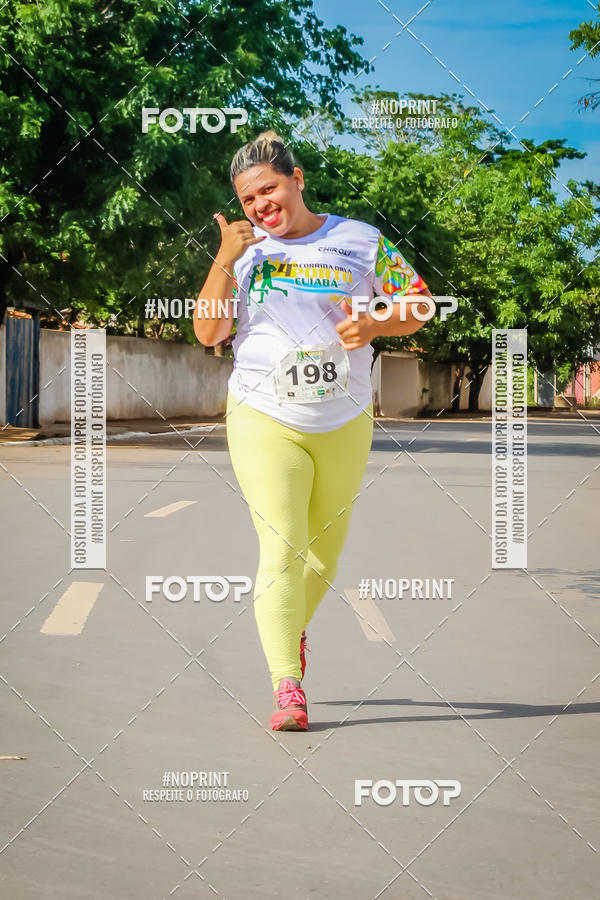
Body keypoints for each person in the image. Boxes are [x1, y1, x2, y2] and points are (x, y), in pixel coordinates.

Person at [194, 131, 434, 732]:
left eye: (269, 189)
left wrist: (377, 321)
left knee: (323, 559)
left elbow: (422, 305)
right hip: (262, 412)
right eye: (249, 199)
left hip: (344, 416)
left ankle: (288, 624)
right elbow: (208, 334)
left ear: (297, 179)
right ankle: (287, 685)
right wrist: (225, 254)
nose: (260, 206)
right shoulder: (244, 252)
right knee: (282, 545)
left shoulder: (359, 240)